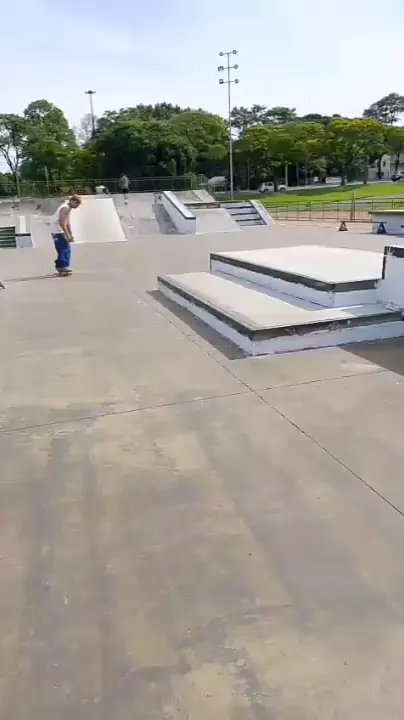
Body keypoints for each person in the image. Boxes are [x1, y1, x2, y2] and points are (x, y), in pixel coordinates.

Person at [50, 195, 82, 276]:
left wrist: (70, 234)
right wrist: (67, 235)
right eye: (77, 203)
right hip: (57, 231)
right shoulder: (65, 208)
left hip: (59, 230)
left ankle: (63, 266)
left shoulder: (68, 208)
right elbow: (62, 222)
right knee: (63, 249)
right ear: (72, 201)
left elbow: (67, 222)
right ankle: (61, 267)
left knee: (67, 248)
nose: (77, 205)